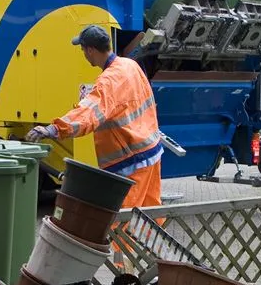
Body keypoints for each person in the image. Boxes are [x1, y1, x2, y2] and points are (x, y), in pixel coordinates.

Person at [25, 25, 162, 210]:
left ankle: (127, 241)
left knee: (121, 223)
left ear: (90, 50)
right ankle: (147, 241)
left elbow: (88, 114)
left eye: (82, 49)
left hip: (132, 163)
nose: (83, 53)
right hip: (151, 151)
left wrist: (54, 129)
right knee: (149, 215)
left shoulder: (109, 81)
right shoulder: (130, 65)